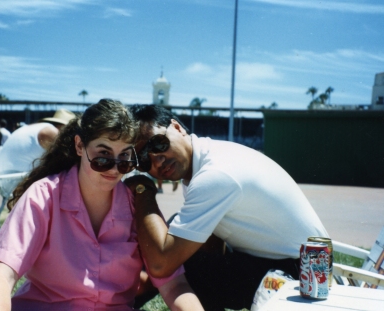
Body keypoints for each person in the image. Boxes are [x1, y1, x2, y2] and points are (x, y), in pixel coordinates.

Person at [0, 99, 203, 311]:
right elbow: (2, 273)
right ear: (79, 146)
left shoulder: (136, 205)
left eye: (124, 158)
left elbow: (174, 285)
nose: (115, 169)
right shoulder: (43, 196)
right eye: (103, 156)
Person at [124, 104, 329, 310]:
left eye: (157, 144)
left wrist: (143, 189)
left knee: (175, 257)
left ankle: (114, 300)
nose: (157, 161)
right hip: (298, 263)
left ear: (177, 127)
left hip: (299, 275)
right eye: (143, 160)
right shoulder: (207, 159)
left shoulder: (214, 175)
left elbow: (161, 265)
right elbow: (213, 246)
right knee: (179, 244)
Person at [0, 109, 76, 174]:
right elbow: (66, 161)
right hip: (14, 180)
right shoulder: (52, 132)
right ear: (65, 127)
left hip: (3, 176)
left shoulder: (36, 127)